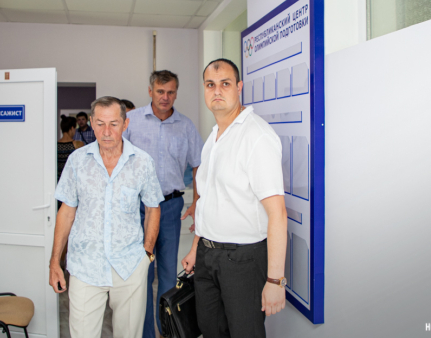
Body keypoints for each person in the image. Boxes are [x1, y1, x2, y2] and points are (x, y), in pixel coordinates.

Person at [182, 59, 288, 338]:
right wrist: (196, 247)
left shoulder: (256, 136)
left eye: (225, 84)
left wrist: (275, 280)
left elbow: (277, 213)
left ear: (239, 87)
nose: (217, 90)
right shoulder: (214, 137)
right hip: (208, 255)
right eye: (210, 84)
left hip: (243, 260)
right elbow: (208, 199)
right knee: (211, 331)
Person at [50, 96, 165, 338]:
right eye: (100, 123)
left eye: (113, 124)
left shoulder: (142, 162)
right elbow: (66, 212)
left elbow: (153, 208)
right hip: (85, 266)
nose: (106, 131)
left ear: (125, 124)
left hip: (129, 265)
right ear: (91, 123)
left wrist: (146, 254)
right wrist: (54, 262)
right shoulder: (77, 161)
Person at [124, 70, 204, 338]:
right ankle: (148, 334)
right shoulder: (132, 121)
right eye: (160, 91)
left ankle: (168, 332)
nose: (165, 97)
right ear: (150, 91)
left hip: (170, 206)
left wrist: (197, 201)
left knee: (169, 275)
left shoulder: (186, 126)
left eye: (170, 92)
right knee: (142, 275)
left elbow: (198, 164)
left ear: (176, 93)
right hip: (138, 209)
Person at [58, 115, 77, 182]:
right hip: (72, 180)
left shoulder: (56, 145)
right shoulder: (78, 144)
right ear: (72, 128)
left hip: (58, 180)